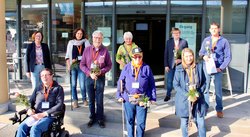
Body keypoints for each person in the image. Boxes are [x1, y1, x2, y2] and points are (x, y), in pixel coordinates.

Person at [116, 47, 156, 137]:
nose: (137, 59)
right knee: (130, 120)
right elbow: (120, 81)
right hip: (128, 98)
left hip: (142, 98)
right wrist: (119, 95)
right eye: (135, 57)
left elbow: (152, 84)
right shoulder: (126, 67)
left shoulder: (146, 68)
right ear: (132, 57)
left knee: (141, 122)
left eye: (139, 57)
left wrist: (153, 97)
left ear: (142, 57)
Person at [16, 68, 64, 137]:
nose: (44, 77)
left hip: (49, 116)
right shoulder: (38, 88)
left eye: (46, 75)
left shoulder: (58, 88)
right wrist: (29, 109)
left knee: (35, 129)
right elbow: (31, 101)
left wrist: (44, 114)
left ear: (51, 76)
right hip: (35, 115)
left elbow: (59, 105)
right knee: (22, 127)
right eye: (42, 75)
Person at [80, 30, 112, 128]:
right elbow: (82, 64)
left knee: (99, 100)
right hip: (89, 78)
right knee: (91, 100)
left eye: (99, 38)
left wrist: (101, 71)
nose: (97, 40)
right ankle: (92, 117)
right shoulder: (87, 50)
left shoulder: (105, 51)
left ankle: (100, 118)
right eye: (95, 38)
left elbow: (109, 65)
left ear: (102, 39)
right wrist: (89, 73)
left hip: (100, 78)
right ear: (92, 39)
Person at [199, 22, 231, 118]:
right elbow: (201, 52)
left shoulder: (224, 41)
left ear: (219, 29)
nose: (213, 30)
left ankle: (219, 109)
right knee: (206, 89)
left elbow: (228, 57)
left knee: (218, 90)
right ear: (209, 30)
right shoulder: (206, 40)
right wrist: (204, 56)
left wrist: (221, 68)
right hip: (207, 67)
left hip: (218, 69)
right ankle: (205, 107)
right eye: (212, 28)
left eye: (215, 28)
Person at [173, 48, 208, 137]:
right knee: (184, 123)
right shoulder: (179, 68)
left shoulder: (199, 66)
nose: (189, 58)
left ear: (193, 56)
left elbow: (204, 82)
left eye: (190, 56)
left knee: (201, 123)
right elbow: (176, 85)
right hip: (184, 100)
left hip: (198, 99)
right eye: (186, 56)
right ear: (183, 57)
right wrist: (187, 95)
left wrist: (198, 94)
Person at [65, 28, 91, 108]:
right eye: (78, 33)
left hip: (82, 66)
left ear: (83, 34)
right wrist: (68, 66)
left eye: (81, 33)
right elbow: (67, 56)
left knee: (82, 84)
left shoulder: (86, 42)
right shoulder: (71, 42)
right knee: (73, 85)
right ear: (75, 34)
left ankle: (84, 99)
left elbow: (90, 55)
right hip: (73, 66)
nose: (79, 35)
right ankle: (75, 101)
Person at [164, 27, 188, 102]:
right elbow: (166, 54)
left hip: (180, 65)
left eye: (177, 33)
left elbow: (187, 54)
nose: (176, 35)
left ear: (179, 34)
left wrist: (181, 60)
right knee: (169, 81)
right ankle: (168, 94)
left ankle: (181, 95)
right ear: (172, 34)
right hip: (171, 65)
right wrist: (166, 65)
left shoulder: (184, 42)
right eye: (174, 33)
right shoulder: (169, 42)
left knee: (181, 81)